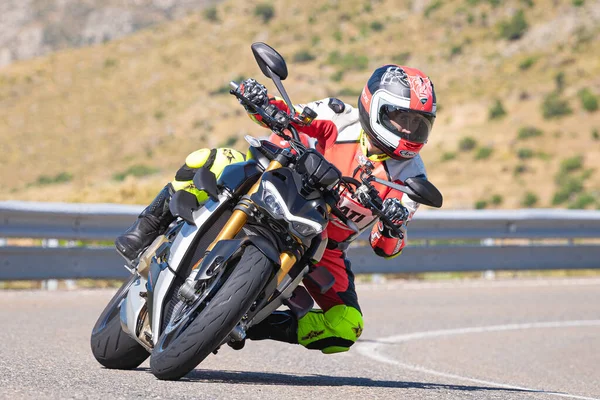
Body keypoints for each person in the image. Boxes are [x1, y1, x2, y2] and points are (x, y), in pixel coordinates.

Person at [115, 63, 437, 355]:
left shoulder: (412, 182)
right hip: (281, 181)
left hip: (325, 244)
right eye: (401, 118)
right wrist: (260, 100)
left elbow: (385, 247)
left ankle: (249, 321)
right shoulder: (342, 116)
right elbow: (295, 115)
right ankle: (146, 227)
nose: (408, 130)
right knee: (211, 159)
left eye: (418, 123)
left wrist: (393, 226)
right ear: (374, 106)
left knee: (345, 325)